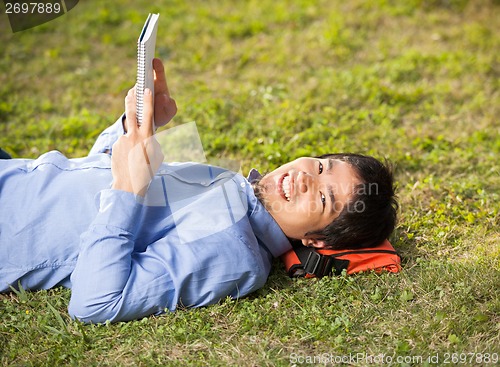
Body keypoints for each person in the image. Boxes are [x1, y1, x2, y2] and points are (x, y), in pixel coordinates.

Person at [0, 59, 397, 323]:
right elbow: (103, 181)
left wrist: (127, 189)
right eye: (323, 165)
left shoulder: (235, 254)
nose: (308, 177)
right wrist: (136, 128)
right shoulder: (233, 186)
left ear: (315, 239)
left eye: (325, 199)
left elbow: (96, 302)